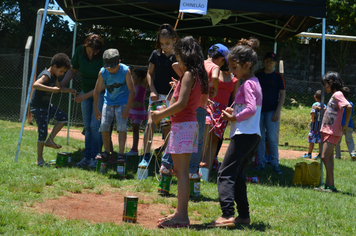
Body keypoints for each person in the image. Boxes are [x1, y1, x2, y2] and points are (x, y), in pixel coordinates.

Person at [152, 36, 208, 228]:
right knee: (180, 171)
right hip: (187, 127)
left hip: (183, 126)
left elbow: (181, 104)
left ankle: (182, 217)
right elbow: (178, 69)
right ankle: (179, 212)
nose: (177, 59)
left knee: (182, 173)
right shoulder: (194, 74)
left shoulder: (189, 75)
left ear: (186, 55)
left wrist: (159, 115)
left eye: (179, 55)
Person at [208, 44, 262, 227]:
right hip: (252, 135)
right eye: (229, 67)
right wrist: (234, 109)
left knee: (225, 173)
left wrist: (234, 117)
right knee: (238, 175)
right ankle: (244, 217)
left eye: (234, 67)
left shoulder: (248, 84)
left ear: (247, 65)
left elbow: (251, 109)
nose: (231, 71)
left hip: (244, 135)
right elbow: (248, 105)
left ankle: (227, 215)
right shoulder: (253, 82)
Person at [138, 23, 179, 169]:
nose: (164, 46)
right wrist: (153, 90)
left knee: (166, 127)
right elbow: (149, 73)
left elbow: (183, 76)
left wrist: (175, 93)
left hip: (172, 97)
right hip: (157, 96)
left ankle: (166, 158)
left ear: (174, 39)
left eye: (167, 43)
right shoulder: (156, 54)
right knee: (150, 124)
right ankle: (145, 156)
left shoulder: (179, 56)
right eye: (162, 44)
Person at [60, 34, 105, 168]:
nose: (91, 54)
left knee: (95, 126)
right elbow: (73, 70)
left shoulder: (104, 56)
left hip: (101, 93)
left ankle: (96, 156)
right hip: (86, 91)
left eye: (95, 52)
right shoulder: (80, 51)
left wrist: (83, 96)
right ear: (85, 47)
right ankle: (87, 157)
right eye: (89, 51)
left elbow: (104, 85)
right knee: (88, 126)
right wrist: (62, 84)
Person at [30, 53, 77, 166]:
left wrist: (70, 90)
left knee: (63, 118)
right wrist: (51, 89)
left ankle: (50, 140)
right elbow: (36, 85)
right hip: (37, 107)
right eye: (61, 71)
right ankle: (39, 159)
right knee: (43, 131)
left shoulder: (54, 76)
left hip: (47, 106)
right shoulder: (46, 75)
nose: (62, 74)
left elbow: (59, 88)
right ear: (54, 66)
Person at [93, 49, 135, 162]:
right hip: (108, 102)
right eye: (108, 67)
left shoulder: (126, 71)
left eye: (113, 67)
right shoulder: (102, 72)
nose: (111, 70)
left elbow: (132, 90)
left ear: (119, 62)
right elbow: (97, 91)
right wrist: (96, 109)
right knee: (104, 126)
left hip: (122, 102)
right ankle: (106, 151)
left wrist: (127, 108)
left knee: (122, 128)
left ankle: (121, 153)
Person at [316, 72, 352, 193]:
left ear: (331, 82)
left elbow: (348, 106)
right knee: (329, 158)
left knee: (324, 157)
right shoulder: (334, 95)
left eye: (325, 84)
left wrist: (345, 125)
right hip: (327, 130)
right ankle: (328, 185)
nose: (324, 87)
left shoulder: (337, 94)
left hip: (332, 132)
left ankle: (331, 186)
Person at [201, 69, 238, 174]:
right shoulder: (215, 72)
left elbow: (235, 99)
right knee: (205, 136)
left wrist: (233, 112)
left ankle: (206, 171)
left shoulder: (235, 78)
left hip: (223, 110)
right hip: (210, 106)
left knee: (215, 140)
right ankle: (198, 165)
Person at [254, 52, 286, 174]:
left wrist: (277, 111)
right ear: (263, 61)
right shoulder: (258, 75)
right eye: (267, 60)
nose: (268, 63)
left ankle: (275, 164)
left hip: (272, 111)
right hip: (259, 111)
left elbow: (282, 94)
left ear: (275, 63)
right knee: (260, 138)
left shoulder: (278, 76)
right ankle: (261, 163)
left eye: (271, 61)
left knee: (272, 138)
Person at [199, 43, 229, 170]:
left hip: (193, 106)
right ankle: (200, 170)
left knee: (198, 139)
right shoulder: (215, 67)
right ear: (221, 59)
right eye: (223, 63)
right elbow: (215, 77)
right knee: (203, 139)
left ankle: (193, 169)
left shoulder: (198, 63)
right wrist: (214, 88)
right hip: (203, 107)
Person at [125, 68, 148, 156]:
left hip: (139, 111)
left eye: (134, 76)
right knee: (134, 129)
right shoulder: (132, 86)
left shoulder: (143, 85)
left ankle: (134, 149)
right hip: (132, 110)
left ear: (140, 78)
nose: (133, 78)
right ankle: (134, 149)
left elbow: (147, 76)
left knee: (136, 129)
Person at [301, 90, 325, 159]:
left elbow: (313, 112)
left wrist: (312, 119)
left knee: (312, 141)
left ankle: (309, 154)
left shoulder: (315, 104)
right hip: (321, 127)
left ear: (315, 97)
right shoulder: (324, 105)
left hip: (314, 127)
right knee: (320, 141)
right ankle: (320, 154)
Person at [335, 87, 356, 161]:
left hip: (339, 125)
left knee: (337, 141)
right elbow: (351, 114)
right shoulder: (351, 104)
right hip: (349, 125)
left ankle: (338, 155)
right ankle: (353, 153)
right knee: (349, 140)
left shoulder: (339, 104)